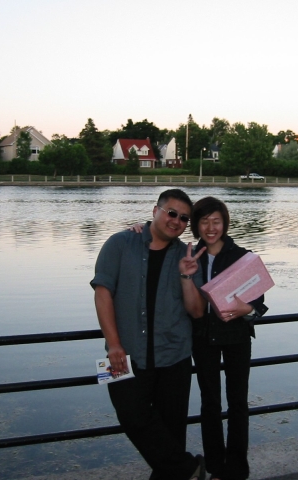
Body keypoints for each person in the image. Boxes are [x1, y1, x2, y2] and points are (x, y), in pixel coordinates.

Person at [90, 188, 206, 480]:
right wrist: (113, 345)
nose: (176, 221)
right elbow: (102, 294)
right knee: (129, 416)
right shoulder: (119, 243)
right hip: (121, 353)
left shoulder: (188, 256)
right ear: (155, 210)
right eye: (171, 213)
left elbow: (197, 312)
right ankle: (192, 469)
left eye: (184, 218)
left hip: (175, 357)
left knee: (171, 433)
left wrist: (186, 276)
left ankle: (184, 473)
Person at [179, 196, 268, 480]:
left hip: (236, 336)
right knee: (210, 403)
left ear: (225, 223)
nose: (210, 227)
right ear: (196, 225)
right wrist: (137, 228)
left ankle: (237, 469)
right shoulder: (189, 256)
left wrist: (247, 310)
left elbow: (259, 303)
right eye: (204, 221)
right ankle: (216, 468)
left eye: (216, 221)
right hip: (203, 336)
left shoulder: (242, 256)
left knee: (238, 403)